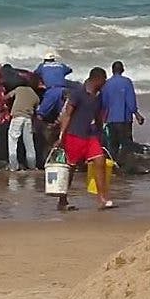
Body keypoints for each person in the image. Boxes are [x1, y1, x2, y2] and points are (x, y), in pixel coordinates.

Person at [56, 67, 113, 210]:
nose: (105, 82)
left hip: (91, 135)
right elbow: (67, 115)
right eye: (104, 80)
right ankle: (62, 200)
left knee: (100, 160)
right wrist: (61, 136)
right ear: (97, 79)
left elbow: (98, 116)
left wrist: (100, 132)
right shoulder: (78, 93)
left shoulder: (98, 96)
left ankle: (102, 199)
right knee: (71, 168)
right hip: (75, 134)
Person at [101, 61, 145, 162]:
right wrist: (137, 114)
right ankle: (126, 166)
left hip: (111, 120)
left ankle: (113, 166)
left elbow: (104, 103)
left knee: (112, 146)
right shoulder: (127, 82)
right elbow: (130, 101)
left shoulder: (107, 84)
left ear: (112, 71)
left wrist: (103, 119)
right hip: (124, 119)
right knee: (126, 145)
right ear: (123, 70)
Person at [6, 84, 39, 171]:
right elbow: (37, 110)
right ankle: (32, 166)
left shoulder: (19, 89)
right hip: (28, 119)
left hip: (17, 117)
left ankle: (13, 166)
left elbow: (7, 96)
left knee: (13, 141)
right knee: (29, 144)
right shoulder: (35, 95)